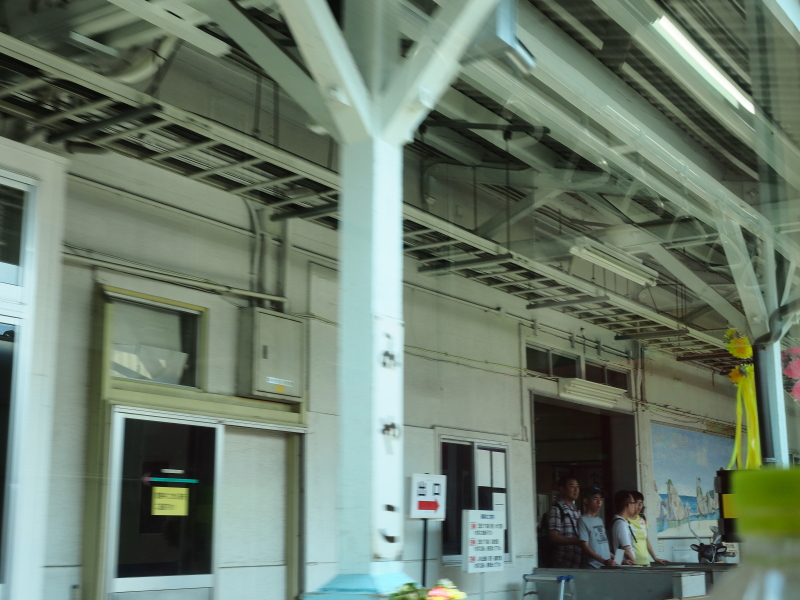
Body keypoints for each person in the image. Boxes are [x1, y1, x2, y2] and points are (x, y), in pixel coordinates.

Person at [546, 475, 583, 568]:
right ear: (562, 489)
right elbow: (553, 537)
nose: (576, 490)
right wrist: (574, 541)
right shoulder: (557, 509)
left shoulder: (577, 510)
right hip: (563, 561)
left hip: (577, 561)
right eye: (572, 486)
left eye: (577, 486)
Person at [577, 487, 616, 568]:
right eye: (595, 499)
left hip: (605, 566)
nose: (599, 502)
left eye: (600, 499)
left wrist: (619, 559)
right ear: (586, 501)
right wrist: (603, 561)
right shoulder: (583, 520)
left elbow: (603, 547)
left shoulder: (599, 520)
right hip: (592, 566)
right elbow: (586, 548)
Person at [629, 491, 669, 565]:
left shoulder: (642, 519)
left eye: (641, 503)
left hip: (645, 561)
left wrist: (655, 558)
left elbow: (646, 540)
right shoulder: (624, 521)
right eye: (637, 502)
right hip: (632, 562)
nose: (639, 505)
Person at [609, 490, 637, 565]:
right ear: (628, 505)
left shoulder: (617, 520)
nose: (635, 506)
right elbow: (626, 550)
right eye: (634, 503)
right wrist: (636, 564)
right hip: (626, 566)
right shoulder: (621, 524)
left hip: (621, 563)